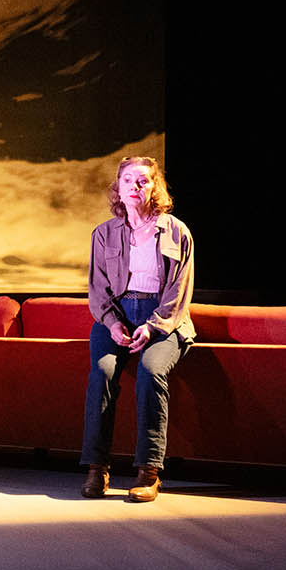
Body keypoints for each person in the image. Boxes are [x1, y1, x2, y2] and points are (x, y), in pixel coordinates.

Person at [80, 156, 195, 503]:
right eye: (128, 180)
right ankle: (97, 469)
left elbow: (179, 291)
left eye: (143, 180)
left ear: (154, 187)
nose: (135, 186)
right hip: (116, 316)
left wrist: (153, 325)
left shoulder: (177, 231)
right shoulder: (103, 233)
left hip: (164, 318)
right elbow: (98, 288)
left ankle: (149, 472)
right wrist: (113, 323)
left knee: (150, 371)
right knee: (102, 373)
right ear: (118, 187)